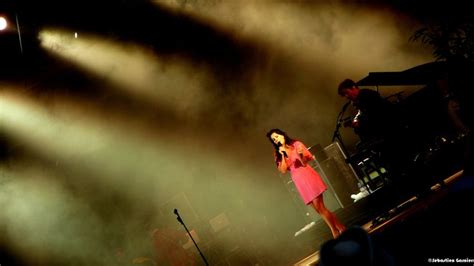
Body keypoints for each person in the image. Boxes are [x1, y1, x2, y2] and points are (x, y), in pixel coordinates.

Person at [266, 128, 346, 238]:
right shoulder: (278, 153)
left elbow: (305, 162)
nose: (276, 140)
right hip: (298, 180)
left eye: (277, 136)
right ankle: (341, 227)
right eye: (273, 139)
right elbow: (283, 170)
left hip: (307, 175)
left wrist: (300, 155)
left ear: (283, 135)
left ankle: (334, 231)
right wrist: (283, 154)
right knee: (319, 210)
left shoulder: (296, 144)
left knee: (320, 207)